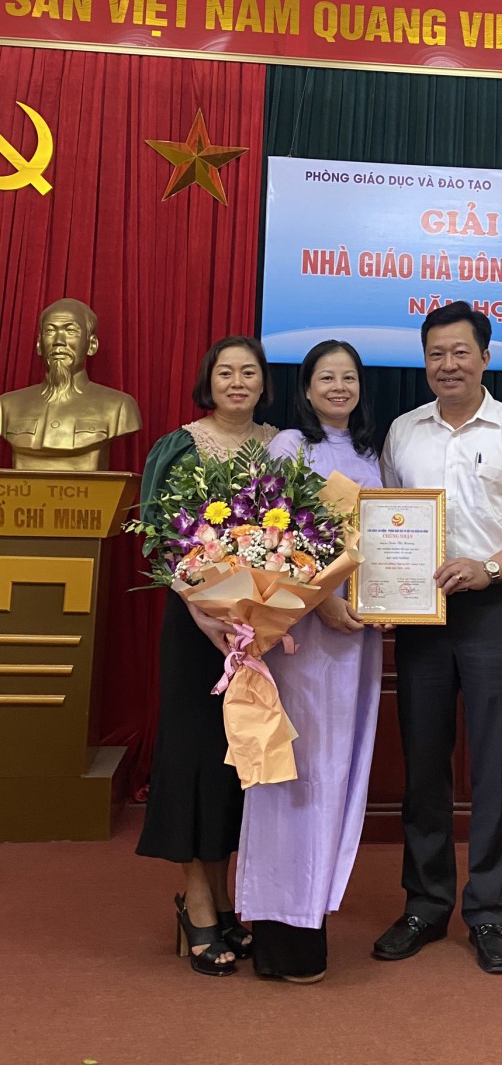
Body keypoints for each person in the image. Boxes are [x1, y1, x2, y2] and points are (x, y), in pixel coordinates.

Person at [373, 301, 502, 975]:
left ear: (485, 357)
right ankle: (426, 904)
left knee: (493, 763)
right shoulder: (402, 432)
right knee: (423, 764)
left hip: (493, 611)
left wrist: (489, 567)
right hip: (421, 617)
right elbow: (386, 521)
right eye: (436, 354)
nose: (448, 364)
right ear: (424, 361)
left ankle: (487, 912)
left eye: (460, 352)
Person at [236, 339, 383, 984]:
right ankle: (280, 928)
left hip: (355, 642)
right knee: (292, 773)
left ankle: (307, 919)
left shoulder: (374, 457)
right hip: (298, 640)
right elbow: (265, 547)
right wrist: (320, 602)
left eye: (349, 377)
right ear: (306, 387)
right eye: (327, 377)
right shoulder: (287, 448)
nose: (339, 387)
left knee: (337, 773)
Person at [136, 335, 277, 976]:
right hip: (197, 628)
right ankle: (195, 901)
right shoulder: (180, 446)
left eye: (249, 371)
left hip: (260, 628)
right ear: (208, 381)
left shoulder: (280, 446)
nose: (237, 382)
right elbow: (159, 538)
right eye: (226, 372)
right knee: (195, 756)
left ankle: (223, 899)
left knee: (235, 761)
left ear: (263, 382)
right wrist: (200, 608)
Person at [0, 297, 141, 470]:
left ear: (91, 345)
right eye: (50, 331)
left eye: (70, 331)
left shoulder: (120, 406)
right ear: (39, 344)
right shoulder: (6, 406)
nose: (59, 341)